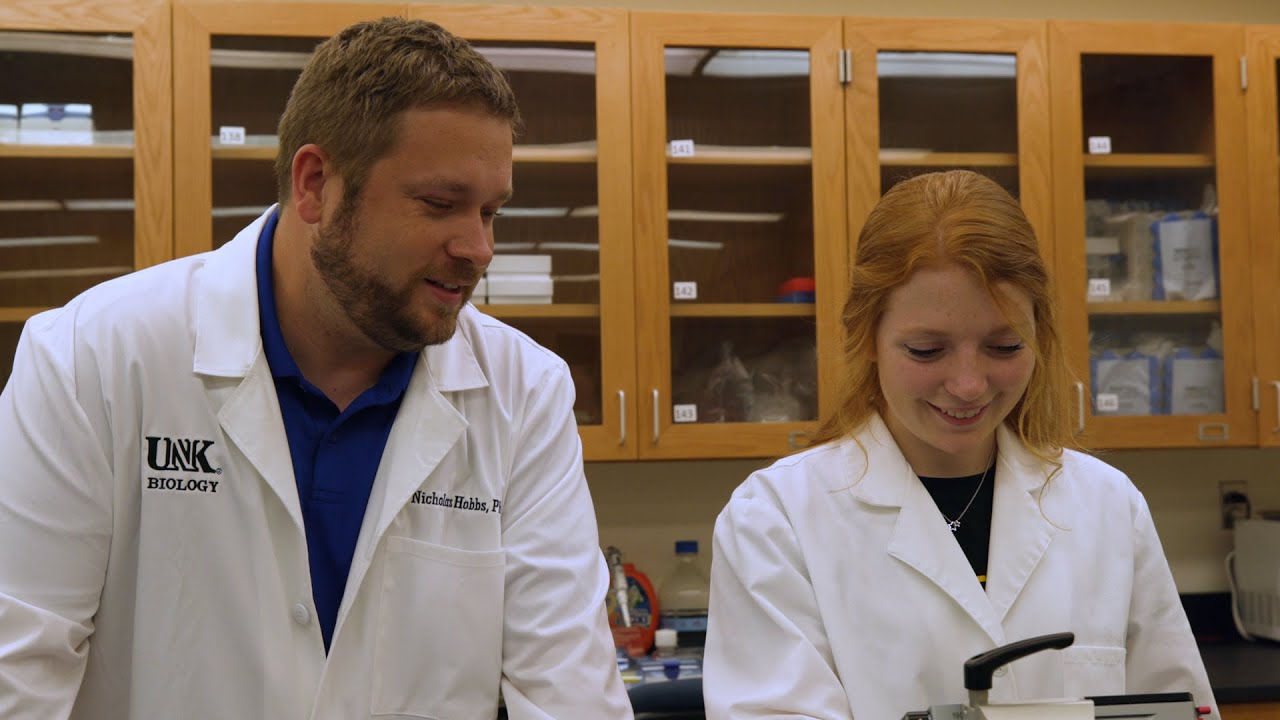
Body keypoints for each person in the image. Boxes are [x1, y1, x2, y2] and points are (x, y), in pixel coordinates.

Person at [0, 17, 633, 720]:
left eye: (491, 212)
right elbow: (16, 673)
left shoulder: (524, 394)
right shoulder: (92, 359)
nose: (479, 247)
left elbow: (569, 694)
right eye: (441, 204)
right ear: (315, 184)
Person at [702, 170, 1218, 719]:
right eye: (927, 350)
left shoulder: (1107, 505)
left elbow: (1178, 708)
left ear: (1038, 336)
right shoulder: (778, 520)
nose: (969, 384)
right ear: (866, 337)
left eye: (1003, 345)